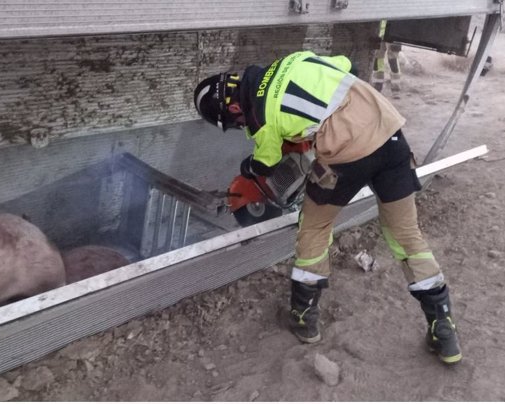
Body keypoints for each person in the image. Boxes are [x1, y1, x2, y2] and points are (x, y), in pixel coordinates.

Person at [193, 50, 462, 364]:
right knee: (406, 235)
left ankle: (304, 318)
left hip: (345, 161)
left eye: (235, 121)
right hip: (391, 140)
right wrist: (310, 126)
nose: (240, 124)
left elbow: (264, 165)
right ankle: (442, 326)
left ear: (235, 107)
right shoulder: (294, 60)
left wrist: (248, 170)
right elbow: (351, 64)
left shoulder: (260, 117)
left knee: (314, 228)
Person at [372, 20, 402, 96]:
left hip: (393, 35)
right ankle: (378, 85)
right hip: (380, 35)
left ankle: (396, 89)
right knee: (378, 60)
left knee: (393, 61)